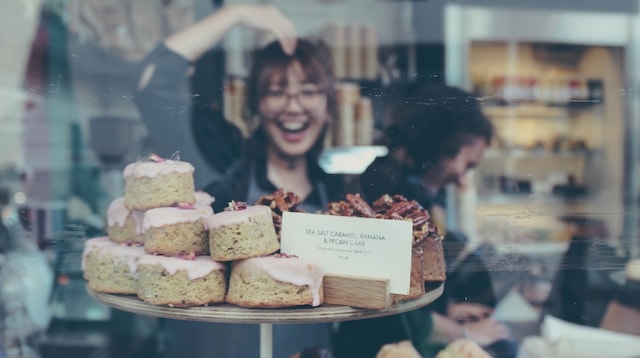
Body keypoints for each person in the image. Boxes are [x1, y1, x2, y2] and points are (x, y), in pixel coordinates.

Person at [133, 4, 349, 357]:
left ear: (329, 105)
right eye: (276, 91)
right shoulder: (219, 164)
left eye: (309, 91)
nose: (293, 106)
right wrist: (235, 14)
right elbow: (151, 85)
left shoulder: (341, 194)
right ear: (256, 104)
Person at [333, 82, 514, 358]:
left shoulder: (407, 184)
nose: (463, 179)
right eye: (467, 165)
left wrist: (447, 310)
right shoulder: (396, 193)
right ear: (443, 146)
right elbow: (394, 308)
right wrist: (463, 333)